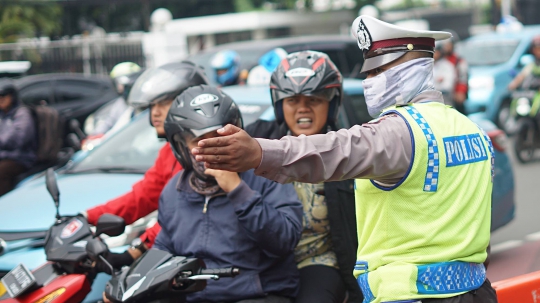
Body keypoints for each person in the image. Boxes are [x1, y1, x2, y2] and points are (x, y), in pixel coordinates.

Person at [192, 15, 498, 303]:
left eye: (379, 71)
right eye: (368, 73)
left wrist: (258, 152)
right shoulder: (471, 129)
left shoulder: (400, 131)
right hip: (475, 291)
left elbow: (336, 150)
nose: (369, 81)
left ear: (413, 68)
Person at [152, 84, 302, 302]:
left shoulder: (265, 173)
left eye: (219, 138)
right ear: (182, 146)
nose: (214, 148)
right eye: (200, 141)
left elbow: (284, 240)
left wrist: (238, 191)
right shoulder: (175, 190)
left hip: (258, 295)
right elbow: (164, 247)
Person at [245, 50, 362, 303]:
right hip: (258, 263)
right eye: (292, 100)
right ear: (279, 105)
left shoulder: (349, 151)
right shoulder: (254, 142)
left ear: (331, 103)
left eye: (314, 99)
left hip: (319, 260)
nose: (303, 109)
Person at [83, 61, 209, 271]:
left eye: (163, 104)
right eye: (152, 106)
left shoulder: (200, 153)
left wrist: (135, 250)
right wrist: (87, 216)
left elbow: (181, 214)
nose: (155, 113)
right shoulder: (170, 152)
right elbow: (141, 196)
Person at [84, 62, 142, 137]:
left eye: (119, 83)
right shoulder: (121, 103)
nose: (118, 87)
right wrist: (96, 135)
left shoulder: (139, 103)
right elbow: (108, 122)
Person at [0, 78, 37, 196]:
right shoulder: (2, 115)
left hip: (21, 158)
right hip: (4, 156)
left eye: (4, 95)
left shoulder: (22, 114)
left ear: (12, 97)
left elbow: (18, 139)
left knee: (2, 171)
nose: (1, 99)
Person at [440, 31, 469, 114]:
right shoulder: (439, 61)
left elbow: (463, 77)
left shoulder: (458, 61)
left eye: (448, 44)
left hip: (455, 93)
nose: (446, 47)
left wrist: (460, 91)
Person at [433, 41, 457, 106]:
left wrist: (435, 85)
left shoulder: (447, 66)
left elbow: (447, 86)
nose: (434, 53)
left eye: (436, 51)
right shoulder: (427, 66)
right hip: (429, 101)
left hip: (444, 100)